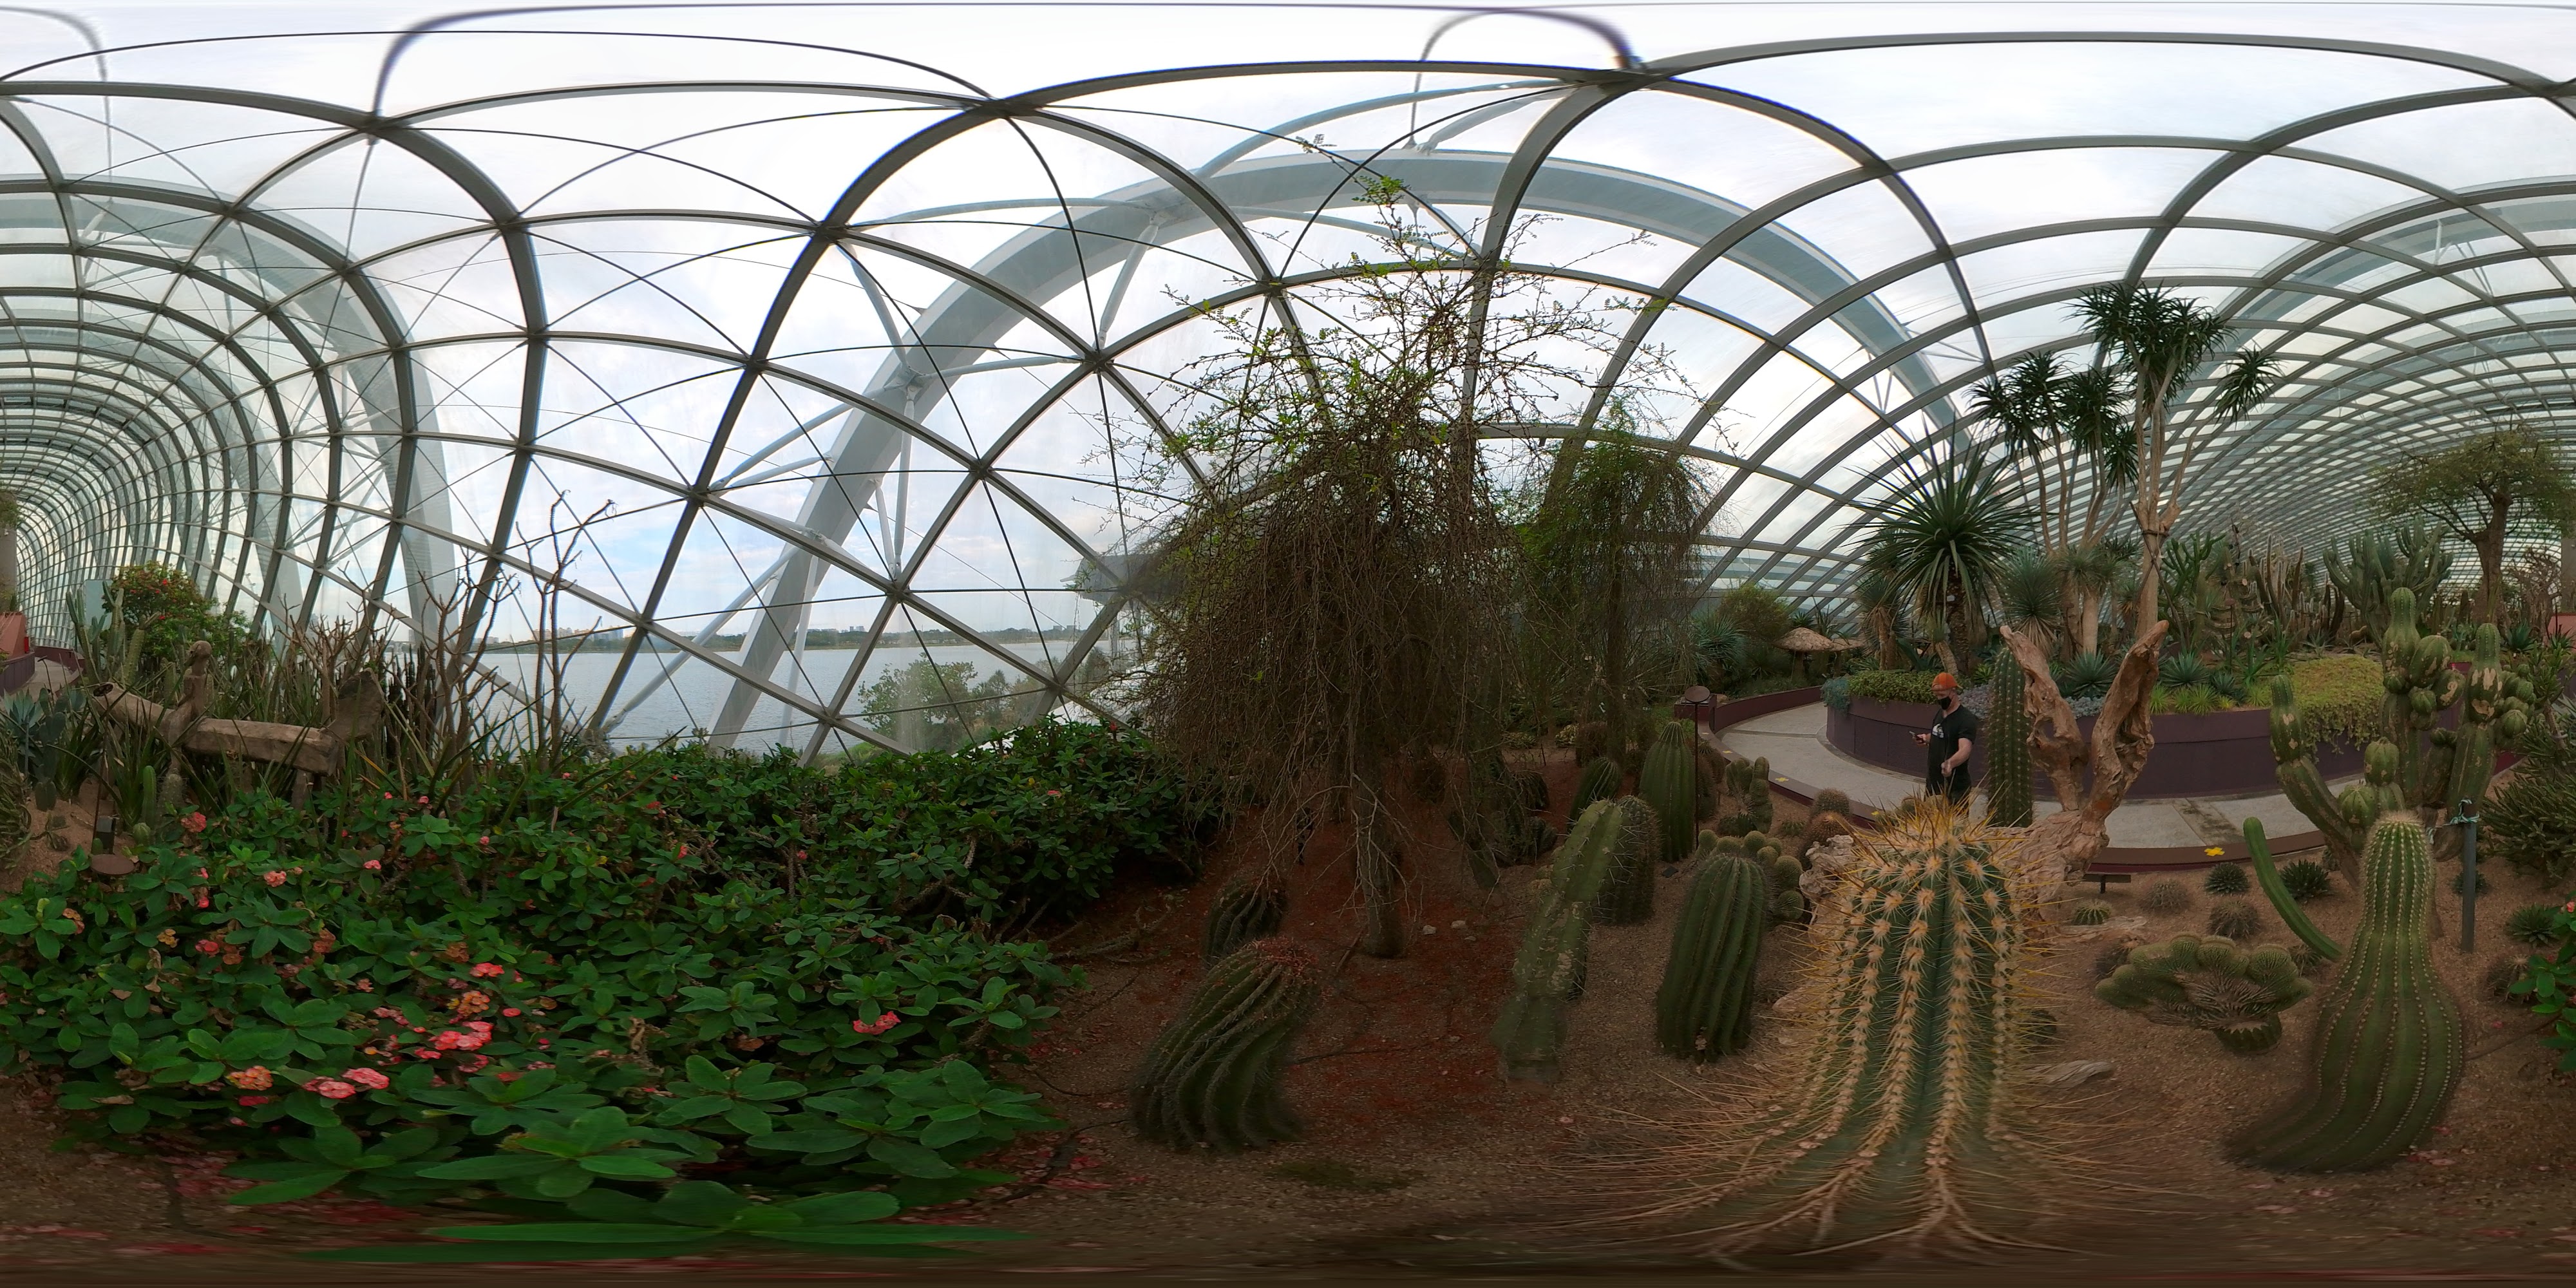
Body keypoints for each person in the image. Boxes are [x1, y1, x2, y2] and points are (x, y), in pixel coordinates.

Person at [1911, 672, 1978, 804]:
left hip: (1954, 786)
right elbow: (1939, 734)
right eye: (1936, 695)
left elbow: (1965, 748)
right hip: (1934, 783)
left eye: (1942, 695)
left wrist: (1950, 763)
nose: (1939, 699)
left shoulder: (1966, 719)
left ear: (1953, 692)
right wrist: (1925, 738)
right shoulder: (1941, 714)